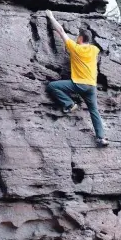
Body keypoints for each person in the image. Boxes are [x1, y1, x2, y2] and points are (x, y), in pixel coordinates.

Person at [45, 10, 109, 148]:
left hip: (78, 84)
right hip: (91, 86)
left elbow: (61, 31)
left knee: (52, 86)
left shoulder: (75, 48)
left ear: (80, 39)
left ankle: (69, 104)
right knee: (94, 111)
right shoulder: (94, 50)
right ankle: (101, 138)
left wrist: (51, 17)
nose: (76, 39)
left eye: (77, 37)